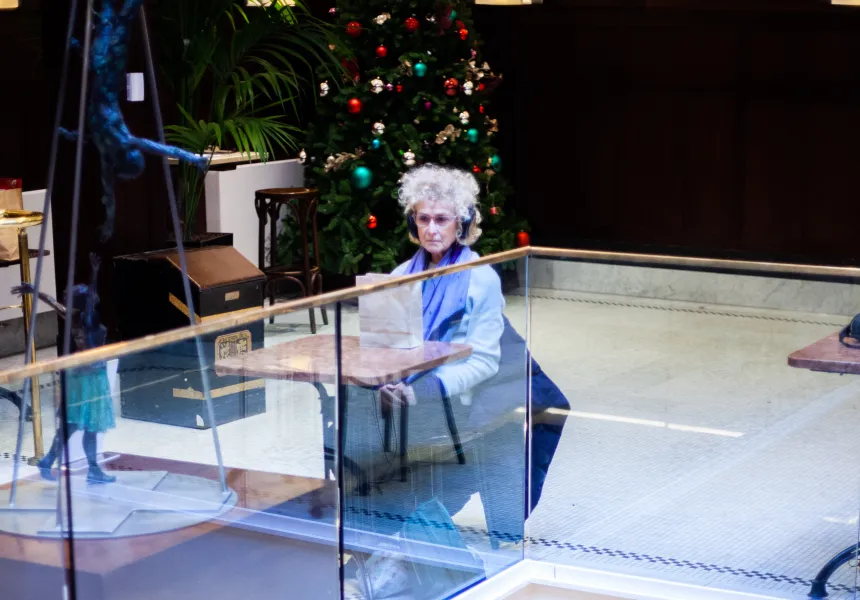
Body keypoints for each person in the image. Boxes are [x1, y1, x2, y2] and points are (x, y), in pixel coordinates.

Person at [345, 164, 569, 552]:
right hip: (409, 394)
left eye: (442, 219)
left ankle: (399, 515)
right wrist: (387, 384)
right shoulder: (401, 275)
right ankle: (363, 521)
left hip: (458, 399)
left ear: (461, 224)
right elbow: (386, 348)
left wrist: (422, 391)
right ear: (413, 222)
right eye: (424, 219)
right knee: (348, 410)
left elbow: (483, 364)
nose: (432, 229)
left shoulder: (480, 278)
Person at [14, 253, 116, 484]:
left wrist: (35, 290)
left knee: (73, 425)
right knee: (86, 426)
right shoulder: (87, 318)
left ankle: (52, 460)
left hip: (82, 375)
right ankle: (89, 469)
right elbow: (82, 300)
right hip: (89, 377)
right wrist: (95, 273)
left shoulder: (72, 316)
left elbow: (53, 301)